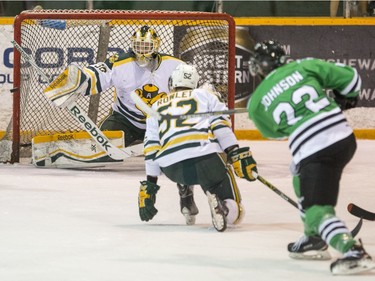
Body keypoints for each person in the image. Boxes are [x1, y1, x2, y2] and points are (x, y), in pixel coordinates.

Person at [44, 25, 198, 223]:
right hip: (125, 119)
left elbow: (192, 88)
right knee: (103, 144)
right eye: (138, 46)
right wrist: (78, 79)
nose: (142, 50)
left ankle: (187, 184)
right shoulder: (120, 62)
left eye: (146, 46)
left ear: (156, 46)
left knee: (179, 149)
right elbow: (96, 75)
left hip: (160, 122)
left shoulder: (174, 65)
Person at [247, 39, 374, 275]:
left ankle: (352, 250)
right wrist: (344, 98)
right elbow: (352, 80)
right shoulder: (304, 66)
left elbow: (273, 133)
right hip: (344, 138)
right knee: (297, 169)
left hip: (316, 150)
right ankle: (313, 238)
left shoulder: (255, 103)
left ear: (259, 68)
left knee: (318, 211)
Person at [137, 64, 258, 232]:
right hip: (205, 162)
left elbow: (151, 148)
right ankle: (224, 207)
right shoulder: (205, 96)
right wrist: (234, 152)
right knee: (236, 215)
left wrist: (150, 185)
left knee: (177, 148)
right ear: (195, 83)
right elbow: (221, 128)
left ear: (172, 83)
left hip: (172, 169)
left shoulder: (156, 106)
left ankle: (185, 192)